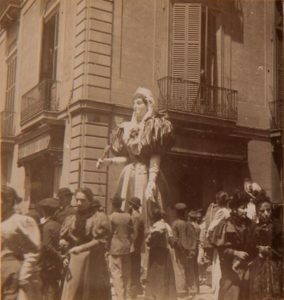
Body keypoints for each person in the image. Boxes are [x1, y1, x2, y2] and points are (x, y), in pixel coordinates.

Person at [96, 87, 175, 228]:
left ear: (148, 105)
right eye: (134, 103)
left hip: (145, 174)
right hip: (129, 174)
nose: (135, 107)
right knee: (126, 208)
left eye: (139, 103)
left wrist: (152, 181)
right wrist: (108, 162)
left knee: (145, 209)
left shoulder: (153, 126)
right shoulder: (127, 127)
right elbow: (127, 158)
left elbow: (154, 157)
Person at [60, 187, 111, 300]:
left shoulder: (99, 217)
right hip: (75, 261)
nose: (79, 203)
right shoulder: (71, 218)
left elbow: (101, 240)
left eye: (82, 200)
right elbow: (66, 237)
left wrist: (81, 248)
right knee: (73, 291)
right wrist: (64, 243)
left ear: (90, 201)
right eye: (77, 200)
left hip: (93, 261)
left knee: (92, 293)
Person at [211, 189, 253, 300]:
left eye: (246, 208)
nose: (245, 211)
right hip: (230, 268)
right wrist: (236, 253)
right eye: (242, 208)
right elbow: (221, 249)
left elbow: (252, 244)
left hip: (245, 267)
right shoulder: (227, 224)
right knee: (231, 293)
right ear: (234, 209)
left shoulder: (249, 224)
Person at [1, 185, 41, 300]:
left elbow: (33, 250)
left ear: (9, 201)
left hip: (13, 271)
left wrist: (24, 274)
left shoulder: (22, 221)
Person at [248, 195, 283, 300]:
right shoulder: (253, 227)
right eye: (262, 211)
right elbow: (249, 246)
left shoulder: (277, 226)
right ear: (257, 212)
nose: (266, 213)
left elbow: (281, 247)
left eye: (268, 210)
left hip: (274, 263)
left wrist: (270, 250)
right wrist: (258, 249)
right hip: (258, 264)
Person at [145, 208, 177, 300]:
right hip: (165, 253)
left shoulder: (156, 227)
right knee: (165, 275)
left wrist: (148, 239)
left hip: (156, 254)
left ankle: (156, 295)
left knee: (156, 275)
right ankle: (166, 295)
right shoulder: (166, 225)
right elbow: (172, 241)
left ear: (154, 217)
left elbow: (150, 242)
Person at [206, 191, 230, 300]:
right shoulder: (227, 211)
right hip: (225, 242)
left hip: (221, 242)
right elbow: (213, 226)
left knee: (219, 266)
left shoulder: (220, 211)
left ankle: (219, 292)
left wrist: (208, 235)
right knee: (222, 267)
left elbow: (211, 227)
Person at [109, 196, 134, 300]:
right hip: (127, 247)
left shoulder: (111, 217)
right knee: (127, 273)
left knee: (116, 274)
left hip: (115, 248)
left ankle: (120, 297)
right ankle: (128, 296)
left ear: (113, 204)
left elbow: (108, 233)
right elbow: (132, 232)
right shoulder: (128, 216)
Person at [38, 198, 62, 300]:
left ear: (44, 211)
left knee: (47, 288)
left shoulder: (46, 226)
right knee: (53, 286)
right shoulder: (58, 225)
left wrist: (57, 254)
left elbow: (46, 246)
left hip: (46, 262)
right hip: (55, 262)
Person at [172, 202, 191, 297]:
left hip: (179, 249)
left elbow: (175, 239)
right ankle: (186, 288)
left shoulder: (175, 223)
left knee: (180, 269)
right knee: (185, 268)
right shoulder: (187, 223)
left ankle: (181, 290)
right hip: (186, 248)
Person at [128, 197, 145, 297]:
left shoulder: (135, 216)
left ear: (132, 206)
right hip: (137, 245)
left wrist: (132, 245)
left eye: (130, 204)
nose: (128, 206)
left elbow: (135, 233)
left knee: (133, 266)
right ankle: (137, 287)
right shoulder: (139, 215)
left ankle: (134, 288)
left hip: (134, 245)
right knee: (136, 265)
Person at [187, 210, 200, 296]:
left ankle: (192, 287)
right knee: (195, 267)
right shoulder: (198, 226)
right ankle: (197, 287)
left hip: (191, 248)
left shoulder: (190, 226)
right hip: (196, 248)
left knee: (190, 267)